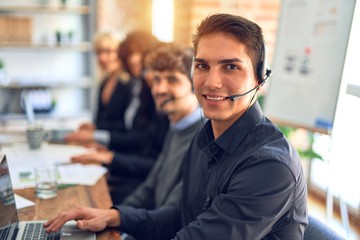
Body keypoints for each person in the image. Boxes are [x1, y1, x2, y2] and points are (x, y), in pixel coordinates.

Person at [44, 14, 308, 239]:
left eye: (231, 66)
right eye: (202, 66)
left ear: (260, 79)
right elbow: (179, 216)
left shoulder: (270, 167)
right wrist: (115, 216)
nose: (212, 82)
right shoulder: (205, 138)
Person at [69, 43, 202, 205]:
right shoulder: (176, 126)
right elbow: (150, 186)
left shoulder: (203, 137)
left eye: (172, 80)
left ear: (196, 84)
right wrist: (114, 214)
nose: (159, 89)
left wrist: (118, 217)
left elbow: (171, 214)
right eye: (156, 80)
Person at [70, 32, 132, 138]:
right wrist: (93, 127)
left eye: (108, 51)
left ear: (120, 53)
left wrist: (96, 128)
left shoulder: (129, 83)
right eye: (99, 52)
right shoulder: (104, 82)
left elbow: (127, 125)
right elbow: (101, 119)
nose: (102, 58)